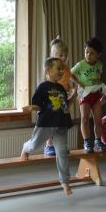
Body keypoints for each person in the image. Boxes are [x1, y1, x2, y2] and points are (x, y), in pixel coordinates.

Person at [21, 57, 76, 195]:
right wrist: (30, 107)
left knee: (62, 153)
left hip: (61, 125)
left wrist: (74, 97)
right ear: (48, 70)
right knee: (34, 145)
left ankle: (65, 181)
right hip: (46, 124)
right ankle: (25, 147)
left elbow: (65, 106)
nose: (62, 72)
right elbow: (38, 106)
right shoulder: (43, 87)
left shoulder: (61, 88)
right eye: (58, 68)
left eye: (62, 69)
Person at [70, 37, 106, 153]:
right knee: (85, 118)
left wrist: (102, 87)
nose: (88, 55)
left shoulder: (99, 65)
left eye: (92, 53)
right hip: (85, 95)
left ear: (98, 55)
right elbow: (69, 74)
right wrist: (78, 83)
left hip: (96, 95)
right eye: (86, 52)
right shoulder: (81, 65)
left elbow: (101, 76)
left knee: (98, 120)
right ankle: (87, 142)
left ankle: (97, 141)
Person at [44, 36, 73, 156]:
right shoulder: (51, 70)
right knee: (52, 123)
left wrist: (70, 90)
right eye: (61, 55)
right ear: (53, 55)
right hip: (53, 99)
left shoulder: (66, 69)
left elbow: (66, 82)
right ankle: (49, 145)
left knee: (61, 124)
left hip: (63, 99)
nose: (64, 58)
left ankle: (59, 146)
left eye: (65, 55)